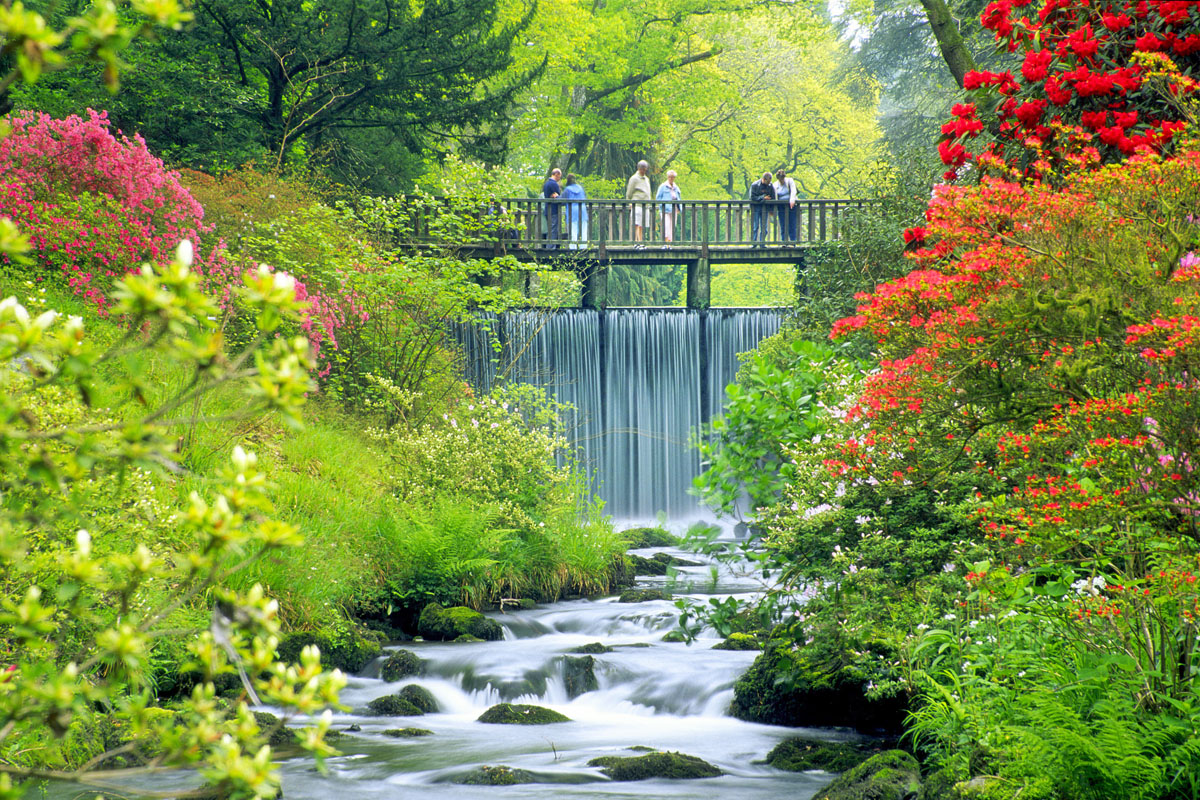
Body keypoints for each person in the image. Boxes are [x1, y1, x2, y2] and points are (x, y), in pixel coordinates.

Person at [625, 160, 652, 248]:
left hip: (645, 205)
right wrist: (629, 202)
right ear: (638, 168)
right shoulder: (634, 178)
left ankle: (641, 242)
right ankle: (636, 242)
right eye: (641, 169)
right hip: (637, 204)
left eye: (644, 169)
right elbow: (629, 192)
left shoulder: (646, 179)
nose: (643, 171)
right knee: (637, 224)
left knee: (642, 225)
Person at [562, 174, 589, 249]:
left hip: (572, 210)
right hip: (582, 209)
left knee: (573, 228)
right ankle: (583, 246)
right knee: (584, 228)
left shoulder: (567, 189)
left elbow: (562, 201)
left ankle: (573, 246)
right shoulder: (580, 188)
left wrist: (556, 196)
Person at [655, 170, 682, 247]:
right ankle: (666, 243)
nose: (671, 178)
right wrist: (662, 206)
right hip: (665, 210)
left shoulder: (676, 187)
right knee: (666, 226)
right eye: (670, 177)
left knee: (673, 226)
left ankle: (670, 243)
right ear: (667, 177)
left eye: (672, 177)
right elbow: (658, 198)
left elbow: (678, 198)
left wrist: (679, 208)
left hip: (674, 209)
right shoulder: (663, 186)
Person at [749, 172, 775, 245]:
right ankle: (753, 243)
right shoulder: (755, 185)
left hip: (765, 209)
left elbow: (772, 197)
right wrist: (763, 198)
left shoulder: (770, 186)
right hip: (755, 208)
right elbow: (752, 197)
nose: (768, 184)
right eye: (767, 182)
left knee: (764, 227)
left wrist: (771, 209)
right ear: (763, 179)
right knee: (755, 226)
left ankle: (762, 243)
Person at [773, 169, 799, 244]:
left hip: (791, 205)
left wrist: (792, 200)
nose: (781, 181)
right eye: (780, 179)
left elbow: (794, 191)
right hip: (781, 206)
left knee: (792, 223)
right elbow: (775, 196)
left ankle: (793, 241)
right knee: (783, 224)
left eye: (782, 179)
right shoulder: (775, 185)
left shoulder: (789, 181)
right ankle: (784, 241)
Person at [542, 167, 562, 249]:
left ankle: (549, 246)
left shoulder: (546, 184)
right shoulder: (553, 184)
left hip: (547, 209)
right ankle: (551, 247)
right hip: (553, 210)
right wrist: (559, 197)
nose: (559, 178)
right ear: (556, 174)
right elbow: (557, 197)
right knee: (553, 229)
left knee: (550, 229)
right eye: (559, 176)